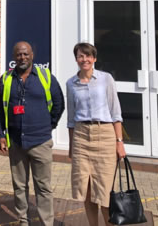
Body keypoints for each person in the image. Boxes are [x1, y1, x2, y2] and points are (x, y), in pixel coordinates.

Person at [0, 41, 64, 226]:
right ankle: (23, 221)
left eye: (25, 54)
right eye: (18, 55)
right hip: (16, 142)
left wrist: (49, 125)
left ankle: (46, 223)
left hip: (40, 141)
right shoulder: (6, 79)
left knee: (43, 187)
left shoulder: (46, 76)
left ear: (32, 55)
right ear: (13, 57)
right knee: (19, 186)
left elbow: (59, 104)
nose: (22, 58)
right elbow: (0, 110)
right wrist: (0, 135)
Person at [66, 42, 126, 226]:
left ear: (94, 58)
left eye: (88, 56)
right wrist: (71, 146)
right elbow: (70, 118)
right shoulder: (71, 83)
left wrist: (119, 141)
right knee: (87, 189)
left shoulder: (106, 79)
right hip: (81, 136)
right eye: (80, 56)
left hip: (105, 134)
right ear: (76, 59)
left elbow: (116, 112)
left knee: (106, 190)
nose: (84, 59)